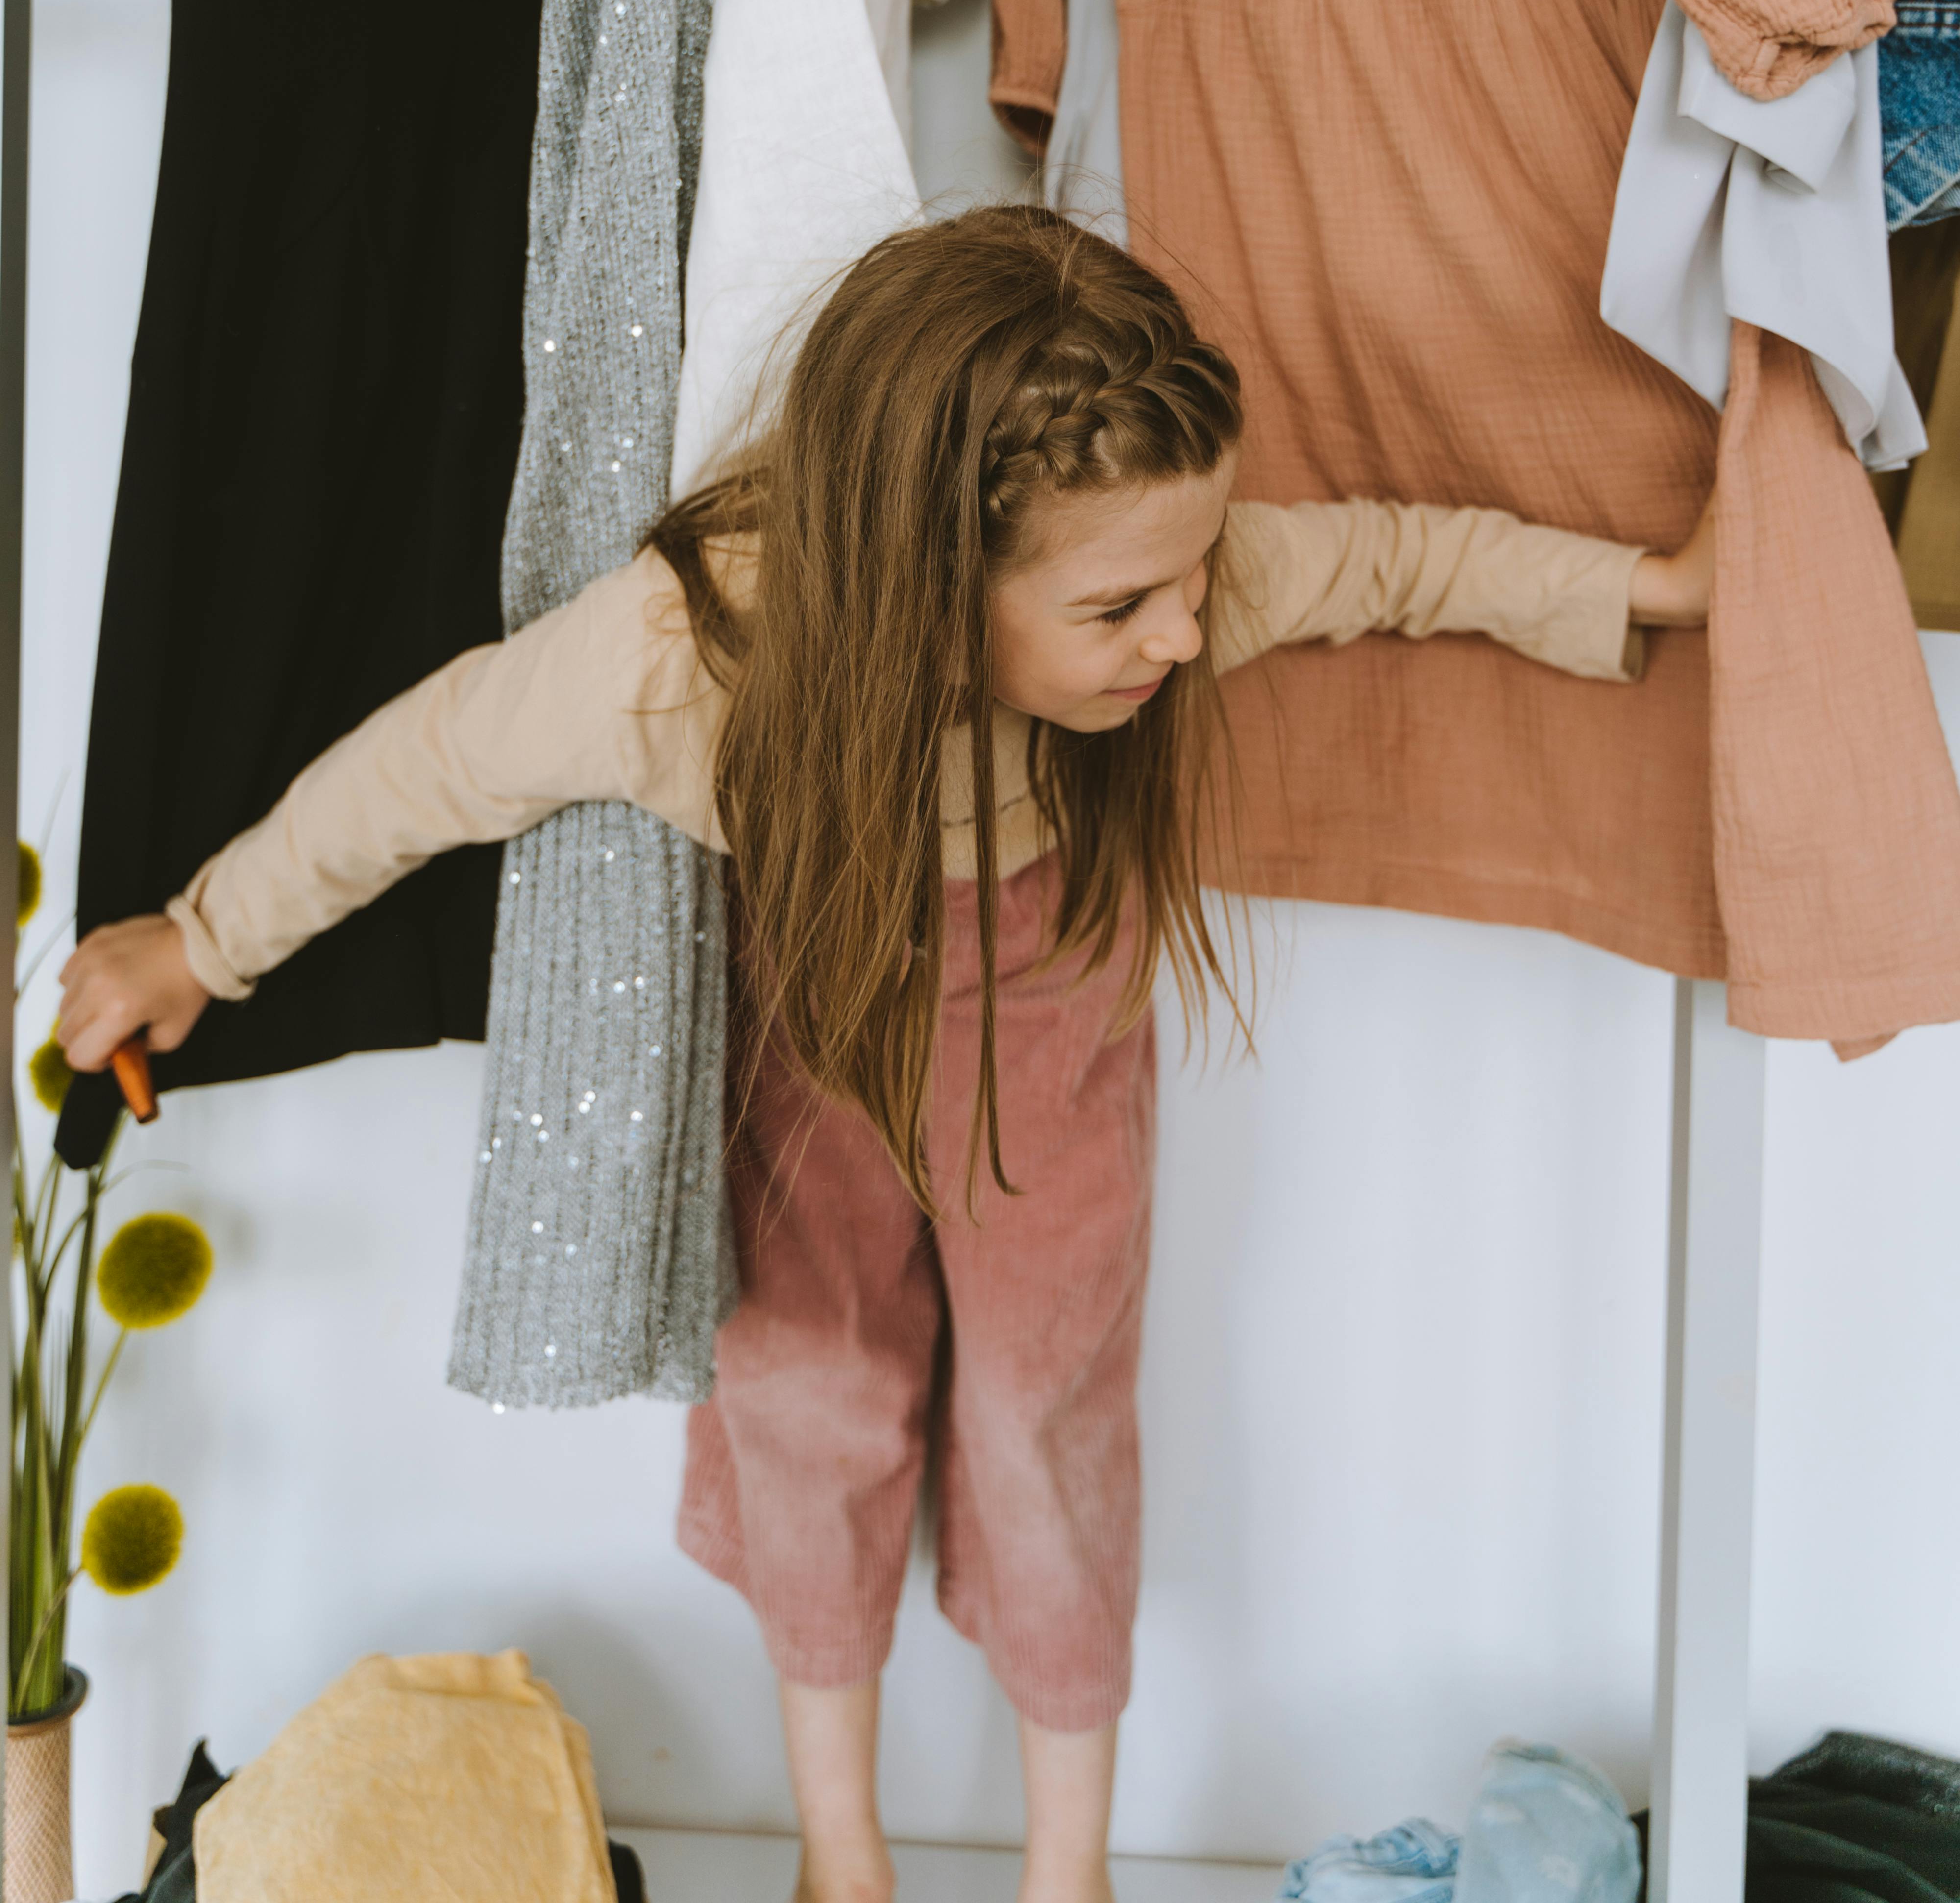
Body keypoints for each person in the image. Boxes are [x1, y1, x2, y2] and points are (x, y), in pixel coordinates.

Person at [60, 206, 1712, 1903]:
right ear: (931, 576)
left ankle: (1068, 1873)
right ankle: (838, 1858)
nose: (1190, 635)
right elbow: (432, 763)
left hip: (1052, 982)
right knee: (807, 1386)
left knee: (1049, 1409)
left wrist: (1638, 587)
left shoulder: (1144, 568)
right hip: (816, 1002)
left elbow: (1394, 559)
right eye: (1129, 605)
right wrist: (200, 938)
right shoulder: (680, 659)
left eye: (1195, 577)